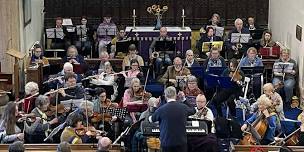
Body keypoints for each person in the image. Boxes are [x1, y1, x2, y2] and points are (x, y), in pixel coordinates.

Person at [149, 86, 195, 152]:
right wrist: (184, 99)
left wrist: (155, 106)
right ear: (176, 95)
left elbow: (151, 120)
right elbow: (193, 110)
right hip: (181, 143)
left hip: (166, 143)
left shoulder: (161, 109)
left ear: (165, 96)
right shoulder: (183, 107)